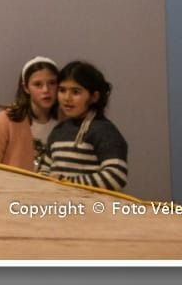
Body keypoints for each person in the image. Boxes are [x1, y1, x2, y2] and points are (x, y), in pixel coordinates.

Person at [38, 60, 130, 192]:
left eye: (76, 92)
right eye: (62, 90)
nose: (67, 98)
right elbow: (44, 170)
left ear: (94, 97)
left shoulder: (104, 131)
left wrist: (68, 183)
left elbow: (116, 176)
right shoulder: (58, 131)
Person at [0, 55, 59, 171]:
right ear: (26, 88)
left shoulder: (65, 122)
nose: (46, 90)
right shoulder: (6, 119)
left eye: (52, 83)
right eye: (38, 84)